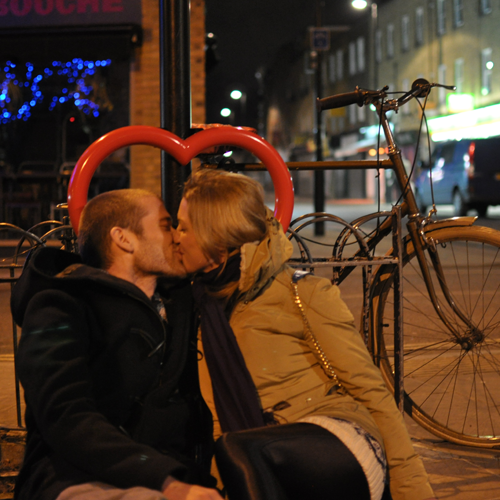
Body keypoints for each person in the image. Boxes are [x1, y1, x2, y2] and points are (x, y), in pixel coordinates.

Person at [173, 169, 437, 500]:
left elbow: (372, 393)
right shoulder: (198, 303)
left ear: (217, 237)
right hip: (258, 455)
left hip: (339, 440)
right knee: (241, 451)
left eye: (184, 227)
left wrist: (414, 492)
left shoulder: (303, 292)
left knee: (239, 448)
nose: (174, 236)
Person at [11, 189, 224, 500]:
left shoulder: (182, 301)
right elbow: (66, 417)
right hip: (74, 477)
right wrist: (165, 479)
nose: (177, 237)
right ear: (124, 239)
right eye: (166, 226)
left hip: (176, 475)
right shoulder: (60, 304)